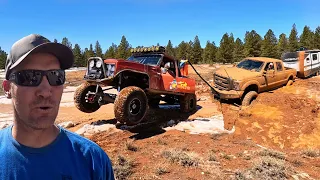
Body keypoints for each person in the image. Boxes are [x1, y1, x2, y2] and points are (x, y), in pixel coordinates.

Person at [0, 34, 115, 180]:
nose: (46, 92)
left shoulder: (93, 161)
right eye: (30, 77)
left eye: (55, 76)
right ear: (7, 88)